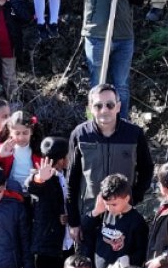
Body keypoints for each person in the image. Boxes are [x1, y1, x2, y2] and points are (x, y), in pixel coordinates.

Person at [66, 84, 155, 244]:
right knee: (87, 266)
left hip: (123, 215)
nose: (104, 110)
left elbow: (147, 169)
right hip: (90, 214)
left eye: (110, 105)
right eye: (98, 105)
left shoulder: (134, 134)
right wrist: (73, 222)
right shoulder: (80, 135)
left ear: (118, 106)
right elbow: (71, 181)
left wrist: (132, 198)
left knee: (121, 265)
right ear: (90, 109)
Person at [80, 174, 149, 268]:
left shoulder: (136, 221)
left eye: (114, 204)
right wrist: (96, 212)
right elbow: (84, 230)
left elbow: (141, 252)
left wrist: (127, 261)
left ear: (126, 198)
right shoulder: (103, 213)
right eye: (107, 204)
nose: (110, 208)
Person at [26, 137, 73, 268]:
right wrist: (40, 178)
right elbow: (31, 186)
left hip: (66, 243)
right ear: (61, 160)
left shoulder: (67, 175)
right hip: (47, 245)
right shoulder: (44, 177)